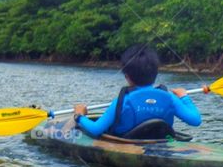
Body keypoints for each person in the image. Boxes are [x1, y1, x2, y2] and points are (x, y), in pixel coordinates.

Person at [73, 44, 202, 138]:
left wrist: (79, 116)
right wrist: (184, 97)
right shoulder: (170, 99)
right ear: (156, 73)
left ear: (127, 77)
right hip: (160, 144)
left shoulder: (122, 102)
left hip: (127, 144)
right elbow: (196, 120)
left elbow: (96, 130)